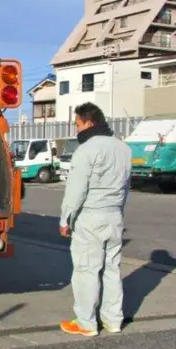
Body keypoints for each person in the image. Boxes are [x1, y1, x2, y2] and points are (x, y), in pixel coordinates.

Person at [58, 102, 131, 337]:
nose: (77, 129)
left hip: (90, 216)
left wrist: (65, 218)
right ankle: (113, 320)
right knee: (112, 269)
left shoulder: (87, 150)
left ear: (89, 122)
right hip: (115, 215)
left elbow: (76, 190)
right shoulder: (123, 149)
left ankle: (86, 323)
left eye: (78, 124)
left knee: (87, 270)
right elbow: (126, 186)